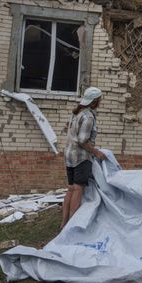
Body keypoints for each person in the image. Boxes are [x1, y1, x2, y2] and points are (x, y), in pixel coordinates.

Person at [61, 87, 106, 230]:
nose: (100, 102)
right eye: (99, 100)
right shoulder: (88, 116)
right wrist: (96, 152)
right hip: (81, 156)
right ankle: (72, 225)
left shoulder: (76, 113)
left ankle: (64, 223)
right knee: (78, 189)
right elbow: (82, 140)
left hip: (69, 154)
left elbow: (69, 131)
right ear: (95, 101)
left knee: (70, 188)